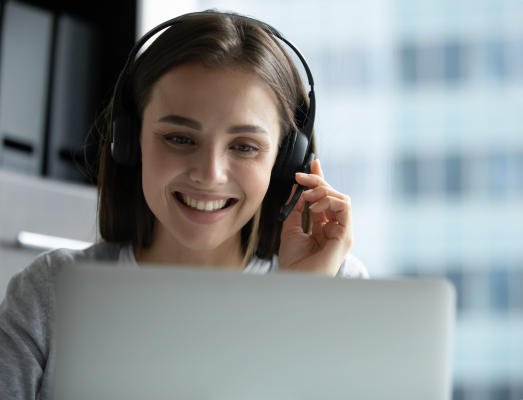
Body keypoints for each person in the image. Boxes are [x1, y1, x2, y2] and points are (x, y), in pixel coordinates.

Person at [0, 11, 368, 399]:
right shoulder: (50, 292)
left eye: (244, 146)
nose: (209, 175)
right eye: (179, 138)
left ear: (284, 161)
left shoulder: (334, 288)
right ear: (130, 140)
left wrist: (301, 304)